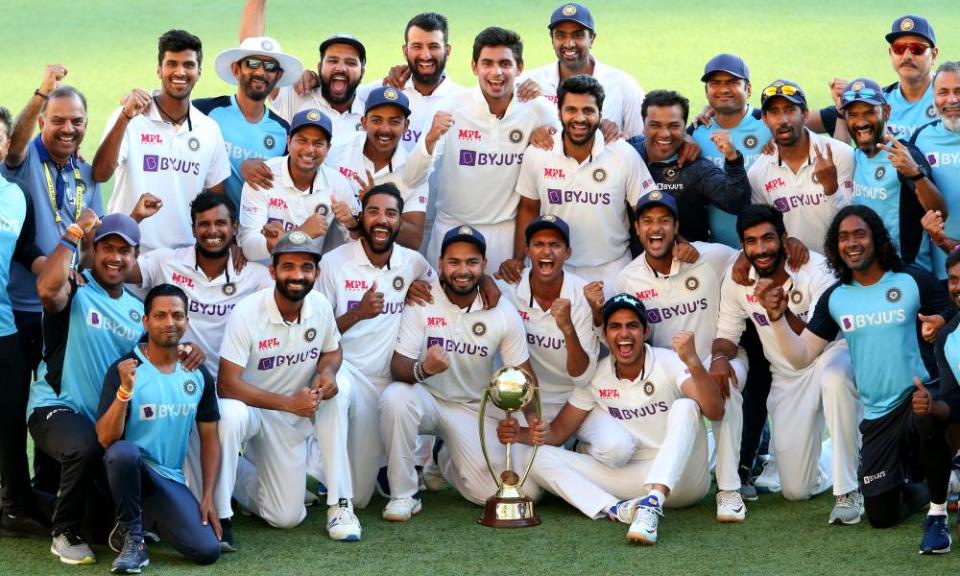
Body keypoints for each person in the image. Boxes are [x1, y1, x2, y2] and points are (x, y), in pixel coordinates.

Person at [762, 205, 955, 554]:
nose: (852, 243)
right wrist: (777, 318)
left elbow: (954, 307)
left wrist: (942, 323)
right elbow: (802, 355)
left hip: (920, 396)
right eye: (843, 237)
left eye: (859, 234)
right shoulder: (836, 298)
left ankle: (938, 512)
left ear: (877, 239)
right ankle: (932, 484)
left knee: (927, 414)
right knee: (882, 516)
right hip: (878, 415)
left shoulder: (910, 280)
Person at [497, 294, 724, 545]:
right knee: (535, 458)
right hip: (636, 478)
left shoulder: (668, 361)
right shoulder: (597, 376)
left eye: (632, 326)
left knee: (686, 406)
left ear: (646, 331)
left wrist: (692, 361)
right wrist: (520, 435)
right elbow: (559, 432)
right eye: (615, 326)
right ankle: (617, 509)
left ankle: (653, 504)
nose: (624, 334)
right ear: (605, 335)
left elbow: (715, 411)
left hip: (684, 478)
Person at [379, 225, 540, 521]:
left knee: (488, 494)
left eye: (472, 262)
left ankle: (443, 456)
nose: (462, 270)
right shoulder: (423, 298)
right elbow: (398, 366)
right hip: (426, 399)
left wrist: (533, 421)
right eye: (454, 262)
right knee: (395, 398)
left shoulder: (501, 310)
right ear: (440, 264)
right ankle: (403, 495)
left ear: (484, 266)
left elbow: (523, 375)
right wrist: (424, 368)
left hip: (470, 408)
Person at [712, 205, 861, 522]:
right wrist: (718, 357)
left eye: (768, 239)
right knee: (797, 490)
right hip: (787, 377)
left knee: (835, 378)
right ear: (742, 246)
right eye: (751, 242)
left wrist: (778, 311)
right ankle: (841, 455)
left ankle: (849, 491)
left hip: (829, 355)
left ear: (784, 238)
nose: (760, 249)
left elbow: (817, 337)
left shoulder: (818, 269)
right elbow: (727, 334)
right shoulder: (738, 280)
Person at [216, 230, 361, 541]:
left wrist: (328, 372)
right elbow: (226, 386)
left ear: (316, 273)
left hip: (292, 416)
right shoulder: (247, 312)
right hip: (253, 410)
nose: (297, 275)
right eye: (289, 266)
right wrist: (288, 403)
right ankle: (221, 514)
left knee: (286, 517)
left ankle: (339, 506)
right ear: (273, 271)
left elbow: (333, 350)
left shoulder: (320, 305)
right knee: (228, 414)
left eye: (306, 268)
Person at [611, 191, 747, 522]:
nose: (655, 229)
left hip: (719, 358)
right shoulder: (627, 277)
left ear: (677, 226)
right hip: (672, 372)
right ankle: (667, 479)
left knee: (724, 386)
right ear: (636, 227)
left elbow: (747, 257)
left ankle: (729, 489)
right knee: (684, 408)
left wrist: (697, 251)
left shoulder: (709, 256)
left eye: (664, 221)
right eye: (647, 222)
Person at [2, 67, 105, 502]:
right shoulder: (24, 163)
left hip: (61, 309)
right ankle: (13, 494)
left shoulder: (87, 174)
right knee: (10, 403)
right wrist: (42, 89)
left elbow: (91, 239)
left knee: (52, 396)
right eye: (57, 118)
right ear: (42, 121)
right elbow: (18, 136)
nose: (67, 128)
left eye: (76, 121)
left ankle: (44, 487)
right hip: (19, 306)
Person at [28, 213, 143, 565]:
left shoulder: (139, 311)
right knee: (84, 445)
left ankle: (49, 506)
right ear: (93, 250)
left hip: (104, 422)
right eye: (107, 247)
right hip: (55, 407)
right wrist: (73, 233)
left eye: (125, 251)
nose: (115, 257)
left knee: (99, 524)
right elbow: (47, 290)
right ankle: (63, 532)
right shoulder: (75, 285)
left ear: (136, 257)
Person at [316, 183, 434, 508]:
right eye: (373, 212)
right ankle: (336, 502)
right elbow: (316, 334)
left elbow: (445, 290)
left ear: (399, 222)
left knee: (363, 497)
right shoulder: (333, 263)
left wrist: (487, 282)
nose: (382, 220)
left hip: (386, 381)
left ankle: (373, 481)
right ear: (361, 217)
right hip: (347, 371)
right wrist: (358, 314)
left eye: (391, 214)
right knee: (334, 390)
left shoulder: (413, 264)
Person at [404, 27, 559, 272]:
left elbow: (566, 157)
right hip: (450, 231)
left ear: (519, 68)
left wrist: (550, 138)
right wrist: (431, 139)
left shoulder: (537, 110)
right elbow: (411, 177)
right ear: (474, 67)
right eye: (487, 63)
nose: (496, 72)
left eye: (505, 64)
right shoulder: (451, 108)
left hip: (506, 237)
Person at [96, 284, 221, 573]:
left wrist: (207, 496)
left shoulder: (198, 373)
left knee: (206, 551)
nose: (169, 322)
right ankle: (133, 539)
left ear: (187, 322)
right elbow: (105, 438)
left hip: (169, 479)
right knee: (124, 452)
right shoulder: (126, 369)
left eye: (177, 316)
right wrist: (125, 391)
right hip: (128, 470)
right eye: (160, 315)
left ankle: (147, 517)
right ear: (146, 321)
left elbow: (210, 438)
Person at [505, 75, 656, 295]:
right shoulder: (537, 154)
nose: (579, 118)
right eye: (571, 110)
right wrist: (518, 259)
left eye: (588, 111)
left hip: (612, 268)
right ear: (559, 113)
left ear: (600, 115)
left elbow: (646, 211)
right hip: (553, 269)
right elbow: (529, 208)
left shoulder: (623, 155)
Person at [94, 29, 231, 253]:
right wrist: (125, 117)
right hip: (129, 251)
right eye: (171, 64)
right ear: (159, 70)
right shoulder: (130, 116)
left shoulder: (209, 129)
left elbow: (216, 198)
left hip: (183, 257)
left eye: (188, 65)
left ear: (199, 72)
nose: (180, 72)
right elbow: (100, 174)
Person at [0, 106, 47, 536]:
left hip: (5, 327)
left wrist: (57, 267)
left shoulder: (16, 195)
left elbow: (25, 249)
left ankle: (14, 504)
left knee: (12, 417)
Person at [842, 77, 944, 271]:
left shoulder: (904, 155)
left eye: (869, 112)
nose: (861, 121)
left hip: (908, 273)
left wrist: (916, 174)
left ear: (886, 112)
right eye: (853, 115)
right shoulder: (854, 156)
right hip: (870, 273)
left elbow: (940, 213)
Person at [628, 89, 751, 244]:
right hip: (633, 264)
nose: (664, 133)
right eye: (655, 125)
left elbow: (737, 202)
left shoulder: (697, 167)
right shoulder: (628, 154)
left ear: (684, 127)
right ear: (643, 125)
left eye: (674, 126)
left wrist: (733, 158)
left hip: (689, 264)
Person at [237, 109, 360, 261]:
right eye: (302, 140)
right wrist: (300, 234)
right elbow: (248, 248)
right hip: (264, 276)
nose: (309, 149)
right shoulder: (263, 175)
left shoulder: (337, 183)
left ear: (328, 149)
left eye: (318, 143)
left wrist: (352, 224)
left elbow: (357, 239)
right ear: (289, 142)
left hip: (308, 276)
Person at [194, 35, 302, 208]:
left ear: (278, 76)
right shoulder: (203, 111)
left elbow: (286, 187)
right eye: (252, 63)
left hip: (256, 232)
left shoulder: (283, 131)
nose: (260, 72)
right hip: (206, 229)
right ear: (236, 70)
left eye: (270, 66)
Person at [747, 80, 854, 254]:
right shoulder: (757, 173)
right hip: (796, 272)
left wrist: (831, 188)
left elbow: (853, 222)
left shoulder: (841, 154)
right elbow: (764, 232)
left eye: (790, 110)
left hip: (843, 267)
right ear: (765, 119)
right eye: (774, 112)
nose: (783, 120)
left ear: (805, 114)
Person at [325, 87, 428, 249]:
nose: (385, 129)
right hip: (334, 264)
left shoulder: (413, 169)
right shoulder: (336, 151)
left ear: (406, 125)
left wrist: (379, 207)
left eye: (394, 121)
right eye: (377, 120)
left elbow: (414, 239)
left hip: (385, 269)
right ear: (364, 122)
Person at [520, 2, 644, 137]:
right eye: (561, 35)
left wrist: (618, 139)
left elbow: (640, 142)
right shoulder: (530, 83)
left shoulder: (624, 86)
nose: (569, 43)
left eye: (577, 35)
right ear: (552, 39)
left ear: (592, 38)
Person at [689, 54, 771, 248]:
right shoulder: (695, 133)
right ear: (707, 90)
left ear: (748, 89)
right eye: (715, 83)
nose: (723, 89)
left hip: (767, 248)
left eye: (733, 82)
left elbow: (803, 127)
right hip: (716, 251)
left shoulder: (769, 124)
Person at [818, 15, 939, 142]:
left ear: (934, 55)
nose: (907, 56)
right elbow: (845, 157)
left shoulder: (950, 98)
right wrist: (840, 111)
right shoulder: (878, 100)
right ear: (890, 53)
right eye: (899, 48)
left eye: (917, 49)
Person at [913, 62, 960, 280]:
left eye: (959, 91)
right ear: (933, 96)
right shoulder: (921, 139)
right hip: (940, 275)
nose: (952, 100)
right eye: (943, 92)